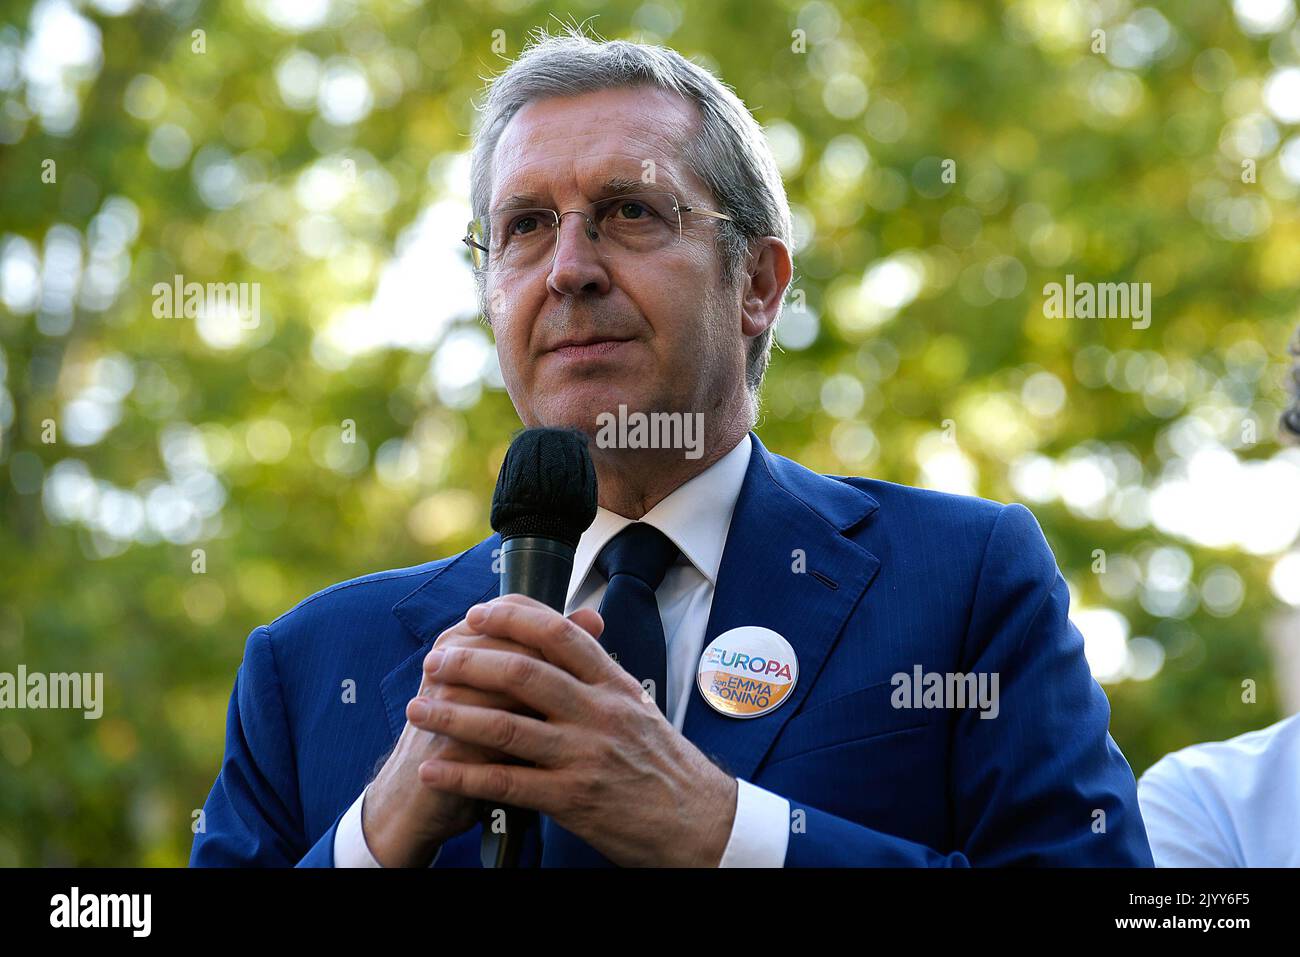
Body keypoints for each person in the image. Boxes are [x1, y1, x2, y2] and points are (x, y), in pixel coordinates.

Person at [191, 27, 1152, 867]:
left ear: (759, 285)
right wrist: (375, 837)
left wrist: (722, 832)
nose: (570, 269)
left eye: (630, 212)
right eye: (525, 227)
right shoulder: (307, 665)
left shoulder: (965, 585)